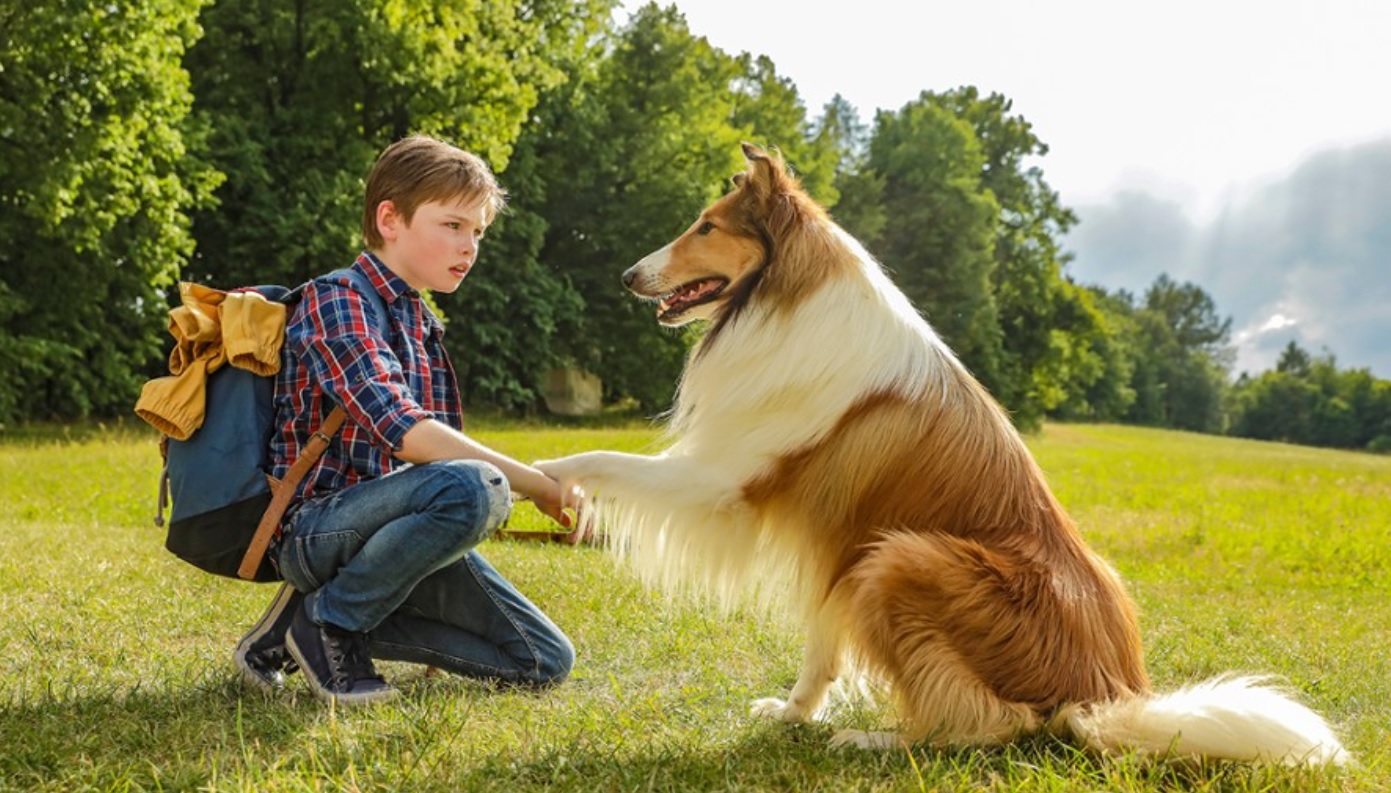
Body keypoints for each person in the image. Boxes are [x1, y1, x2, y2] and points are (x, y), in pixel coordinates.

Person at [232, 135, 579, 704]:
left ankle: (291, 631)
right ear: (389, 219)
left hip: (386, 531)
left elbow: (440, 466)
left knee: (542, 659)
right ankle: (330, 625)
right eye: (452, 225)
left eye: (478, 232)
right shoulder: (337, 299)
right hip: (314, 529)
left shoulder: (422, 325)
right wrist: (537, 485)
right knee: (476, 486)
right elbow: (410, 435)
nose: (469, 246)